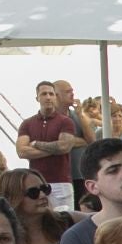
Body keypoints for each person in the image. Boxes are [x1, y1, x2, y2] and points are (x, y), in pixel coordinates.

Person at [17, 81, 86, 209]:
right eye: (44, 94)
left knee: (65, 222)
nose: (48, 97)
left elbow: (64, 147)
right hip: (36, 184)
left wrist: (36, 144)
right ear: (37, 98)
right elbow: (21, 152)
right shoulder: (27, 124)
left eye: (51, 94)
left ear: (55, 96)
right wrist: (54, 149)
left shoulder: (66, 122)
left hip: (61, 183)